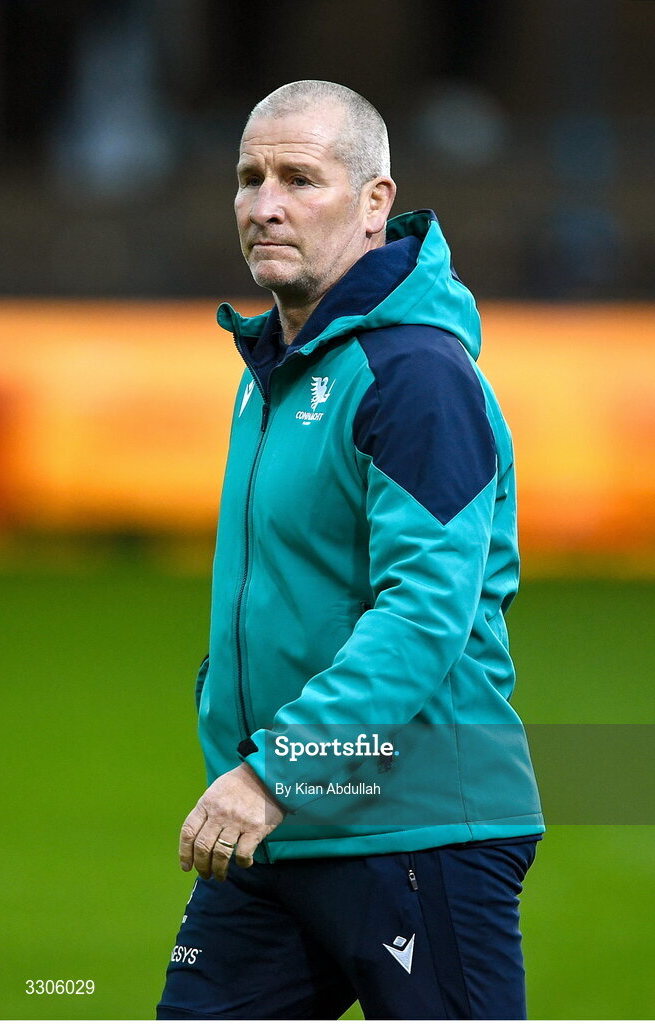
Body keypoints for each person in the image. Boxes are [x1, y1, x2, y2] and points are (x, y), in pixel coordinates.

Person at [157, 80, 544, 1021]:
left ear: (375, 203)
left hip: (415, 828)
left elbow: (423, 615)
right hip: (281, 824)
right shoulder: (273, 371)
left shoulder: (413, 374)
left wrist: (272, 771)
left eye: (299, 178)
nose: (264, 205)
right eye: (249, 178)